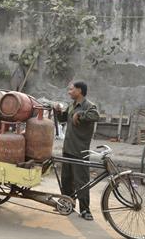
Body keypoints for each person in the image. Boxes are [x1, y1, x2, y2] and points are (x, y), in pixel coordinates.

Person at [54, 81, 99, 221]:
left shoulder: (89, 106)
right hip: (68, 148)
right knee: (66, 179)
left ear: (79, 91)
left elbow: (95, 116)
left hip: (80, 151)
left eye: (71, 89)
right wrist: (58, 111)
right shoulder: (71, 105)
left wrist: (80, 115)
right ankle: (68, 204)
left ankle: (85, 210)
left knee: (82, 182)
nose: (69, 92)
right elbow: (63, 119)